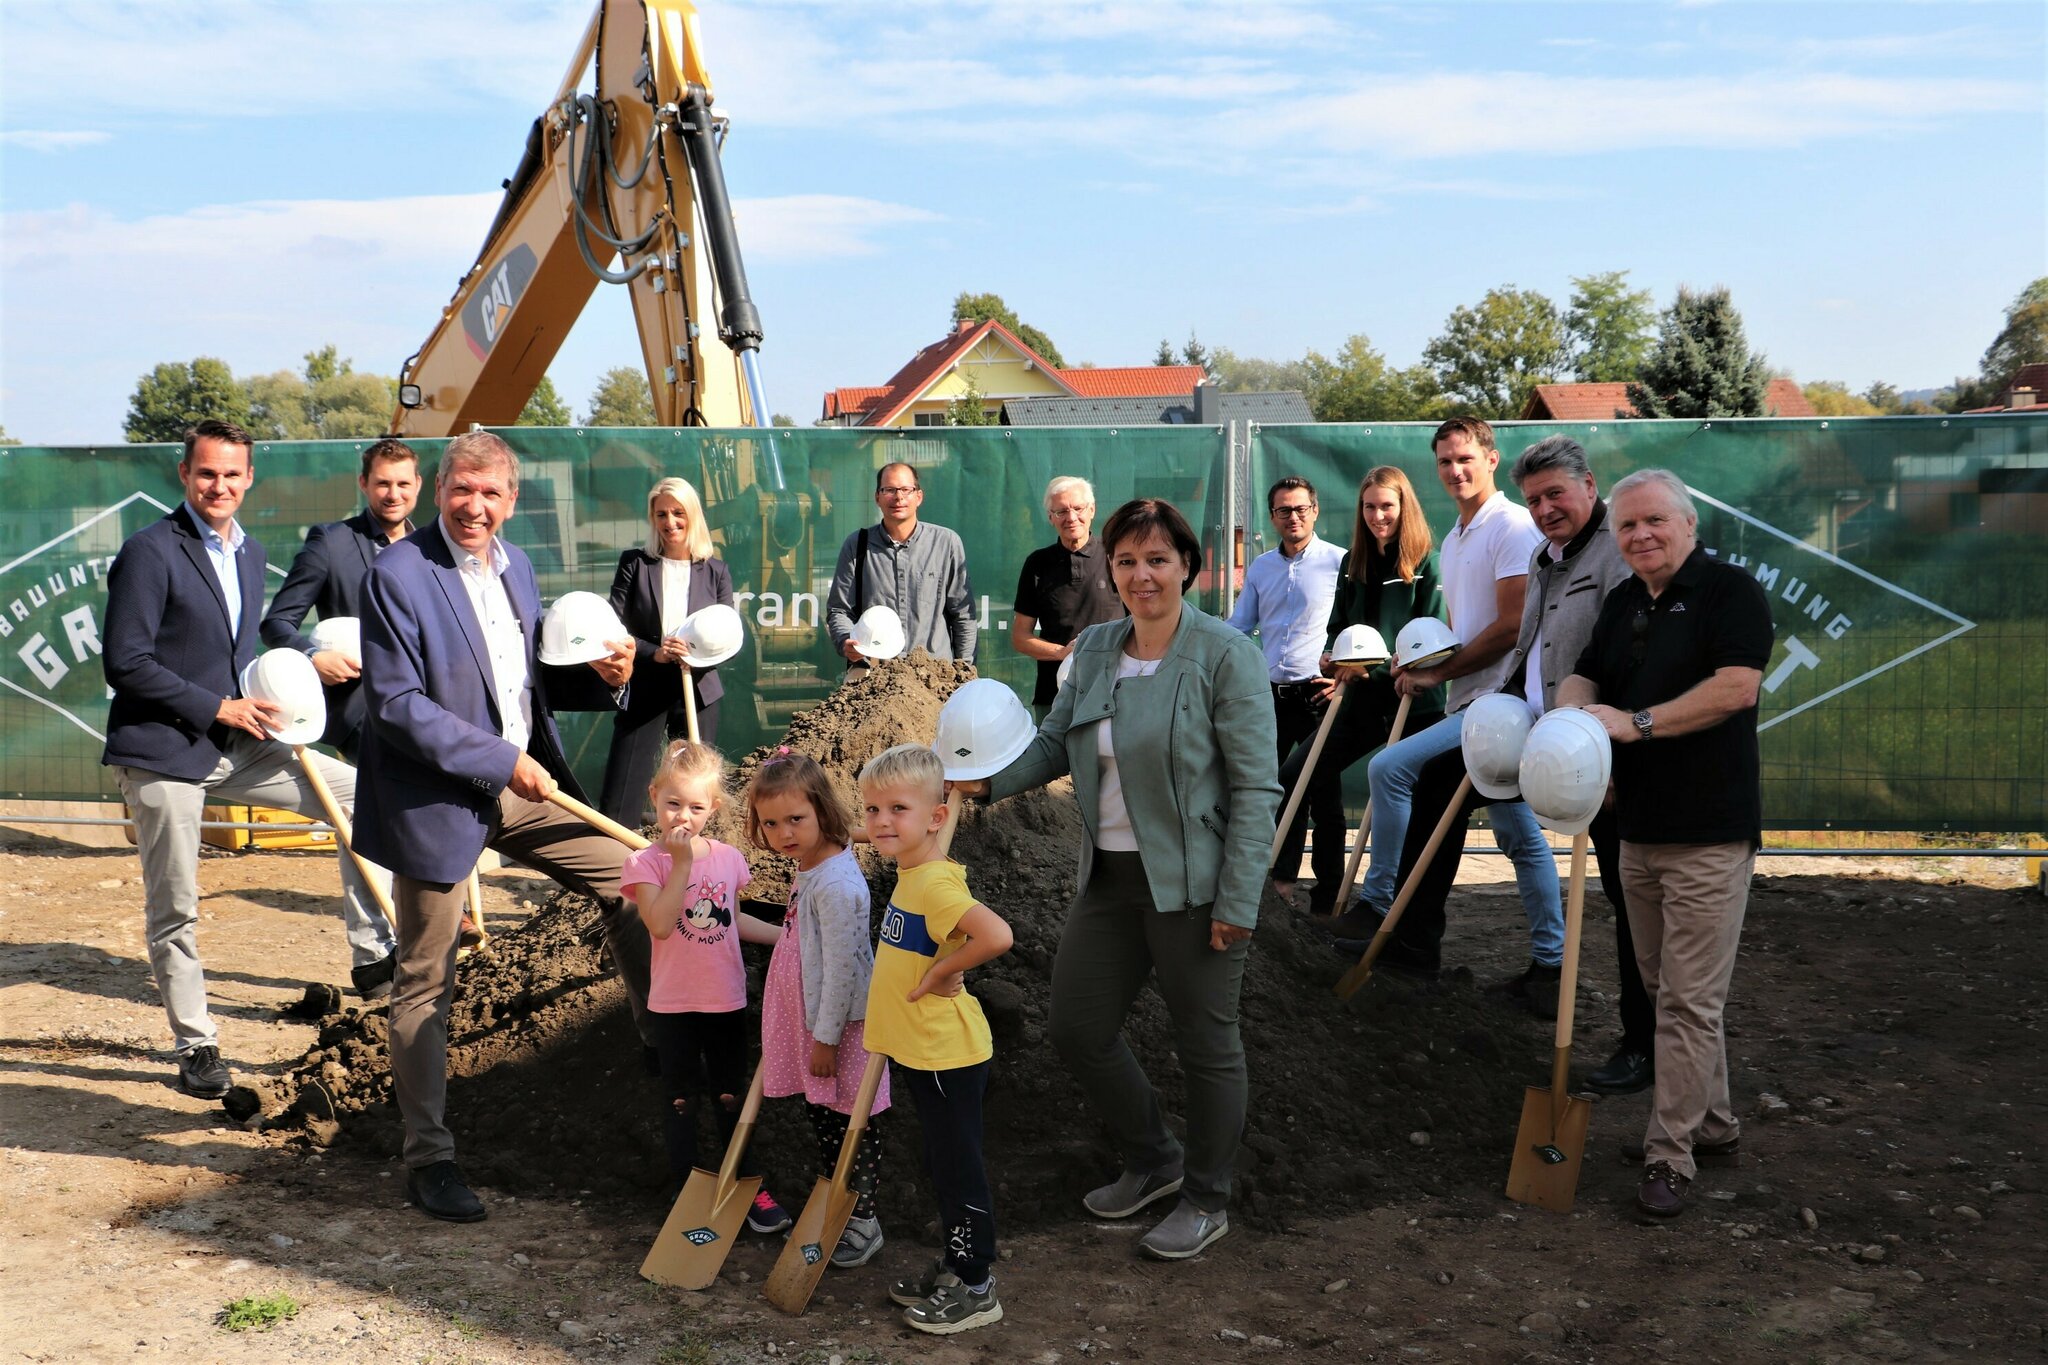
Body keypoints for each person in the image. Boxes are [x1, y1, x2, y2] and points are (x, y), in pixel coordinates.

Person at [953, 498, 1280, 1261]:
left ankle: (1207, 1197)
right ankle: (1157, 1157)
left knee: (1207, 1044)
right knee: (1077, 1026)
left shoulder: (1226, 655)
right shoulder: (1097, 647)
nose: (1142, 575)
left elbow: (1257, 788)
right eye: (1127, 561)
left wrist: (1239, 899)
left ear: (1187, 566)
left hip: (1194, 888)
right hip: (1109, 880)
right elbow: (1052, 743)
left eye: (1157, 559)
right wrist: (983, 784)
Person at [354, 430, 645, 1223]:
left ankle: (663, 1061)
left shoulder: (517, 567)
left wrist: (601, 677)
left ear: (513, 500)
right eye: (462, 489)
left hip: (516, 784)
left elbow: (518, 683)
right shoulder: (398, 574)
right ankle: (429, 1157)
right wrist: (499, 758)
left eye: (491, 493)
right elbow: (397, 705)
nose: (474, 507)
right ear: (439, 489)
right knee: (425, 976)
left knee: (632, 881)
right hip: (436, 796)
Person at [102, 419, 400, 1098]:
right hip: (163, 750)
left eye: (232, 474)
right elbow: (126, 662)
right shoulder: (149, 551)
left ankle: (374, 953)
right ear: (185, 474)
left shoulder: (249, 551)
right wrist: (218, 706)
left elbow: (238, 655)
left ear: (249, 479)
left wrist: (275, 691)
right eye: (207, 472)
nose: (220, 485)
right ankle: (196, 1045)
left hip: (241, 741)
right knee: (176, 907)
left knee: (360, 795)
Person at [1364, 438, 1656, 1053]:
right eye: (1536, 499)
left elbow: (1629, 654)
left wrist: (1608, 738)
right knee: (1439, 783)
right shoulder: (1545, 555)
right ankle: (1413, 945)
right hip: (1529, 727)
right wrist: (1494, 710)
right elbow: (1526, 647)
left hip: (1597, 744)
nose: (1545, 509)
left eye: (1555, 495)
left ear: (1589, 485)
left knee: (1626, 889)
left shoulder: (1616, 552)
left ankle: (1638, 1039)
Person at [1559, 468, 1772, 1218]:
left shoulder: (1729, 591)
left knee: (1686, 1000)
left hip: (1709, 830)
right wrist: (1579, 729)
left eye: (1654, 520)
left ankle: (1670, 1156)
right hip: (1637, 829)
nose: (1641, 534)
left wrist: (1636, 724)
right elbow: (1582, 677)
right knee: (1665, 992)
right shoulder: (1623, 601)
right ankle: (1712, 1124)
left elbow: (1736, 687)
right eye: (1627, 525)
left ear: (1688, 524)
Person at [1334, 417, 1563, 995]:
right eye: (1444, 461)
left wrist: (1439, 672)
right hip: (1473, 702)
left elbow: (1513, 626)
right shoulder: (1459, 537)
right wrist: (1420, 660)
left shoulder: (1511, 526)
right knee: (1517, 836)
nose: (1455, 470)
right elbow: (1469, 627)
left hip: (1504, 706)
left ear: (1491, 459)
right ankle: (1548, 962)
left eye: (1465, 458)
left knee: (1392, 769)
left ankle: (1383, 909)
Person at [859, 744, 1014, 1336]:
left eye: (897, 809)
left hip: (947, 1053)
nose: (881, 822)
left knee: (956, 1169)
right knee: (940, 1163)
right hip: (924, 1051)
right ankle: (956, 1265)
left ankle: (976, 1286)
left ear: (935, 817)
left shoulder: (933, 887)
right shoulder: (914, 872)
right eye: (872, 809)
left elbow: (996, 934)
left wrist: (945, 971)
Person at [620, 740, 787, 1230]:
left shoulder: (729, 859)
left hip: (725, 1000)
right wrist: (682, 865)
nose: (683, 816)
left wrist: (786, 938)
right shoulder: (645, 863)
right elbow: (660, 925)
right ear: (654, 796)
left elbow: (731, 919)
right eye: (673, 803)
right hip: (672, 1006)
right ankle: (685, 1189)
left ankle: (747, 1184)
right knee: (680, 1100)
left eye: (696, 807)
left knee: (731, 1097)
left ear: (713, 808)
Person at [1269, 467, 1446, 914]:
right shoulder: (1354, 562)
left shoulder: (1426, 561)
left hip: (1412, 703)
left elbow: (1433, 639)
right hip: (1360, 702)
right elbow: (1339, 627)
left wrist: (1375, 669)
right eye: (1369, 506)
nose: (1378, 515)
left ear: (1404, 507)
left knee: (1409, 802)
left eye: (1387, 506)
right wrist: (1332, 657)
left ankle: (1392, 909)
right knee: (1295, 776)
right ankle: (1311, 896)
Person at [746, 749, 893, 1265]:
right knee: (827, 1117)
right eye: (770, 823)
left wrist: (826, 1040)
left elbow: (842, 972)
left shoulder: (835, 885)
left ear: (822, 811)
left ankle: (863, 1220)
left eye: (795, 819)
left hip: (838, 1029)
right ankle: (838, 1203)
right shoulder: (813, 862)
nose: (783, 833)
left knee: (853, 1122)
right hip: (814, 1022)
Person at [260, 437, 422, 760]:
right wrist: (313, 656)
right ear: (363, 483)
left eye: (403, 483)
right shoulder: (329, 543)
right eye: (383, 483)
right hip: (363, 715)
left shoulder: (430, 549)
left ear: (417, 484)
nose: (394, 494)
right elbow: (276, 623)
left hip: (428, 707)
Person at [597, 477, 737, 825]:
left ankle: (690, 850)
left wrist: (695, 650)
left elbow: (727, 634)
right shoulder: (635, 563)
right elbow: (615, 627)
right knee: (623, 787)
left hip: (698, 688)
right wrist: (655, 653)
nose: (670, 522)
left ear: (692, 515)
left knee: (694, 786)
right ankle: (615, 847)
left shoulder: (716, 571)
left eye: (678, 513)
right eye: (661, 514)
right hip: (646, 684)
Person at [1227, 476, 1345, 771]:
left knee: (1321, 788)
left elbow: (1359, 628)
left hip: (1319, 695)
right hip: (1270, 698)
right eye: (1284, 510)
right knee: (1267, 784)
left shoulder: (1340, 562)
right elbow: (1238, 627)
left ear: (1315, 510)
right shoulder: (1261, 567)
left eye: (1301, 509)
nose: (1293, 517)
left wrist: (1345, 679)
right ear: (1272, 517)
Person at [825, 462, 975, 676]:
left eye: (906, 489)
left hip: (934, 675)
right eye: (889, 490)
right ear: (877, 497)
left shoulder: (946, 543)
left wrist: (965, 671)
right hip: (874, 674)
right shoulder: (857, 545)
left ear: (919, 496)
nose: (898, 497)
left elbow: (963, 615)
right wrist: (845, 641)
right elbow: (839, 610)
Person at [1011, 475, 1123, 723]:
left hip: (1113, 695)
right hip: (1053, 700)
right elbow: (1020, 637)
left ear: (1092, 510)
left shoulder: (1116, 557)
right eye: (1061, 511)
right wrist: (1063, 653)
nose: (1071, 518)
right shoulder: (1037, 564)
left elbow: (1139, 624)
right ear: (1050, 517)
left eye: (1078, 508)